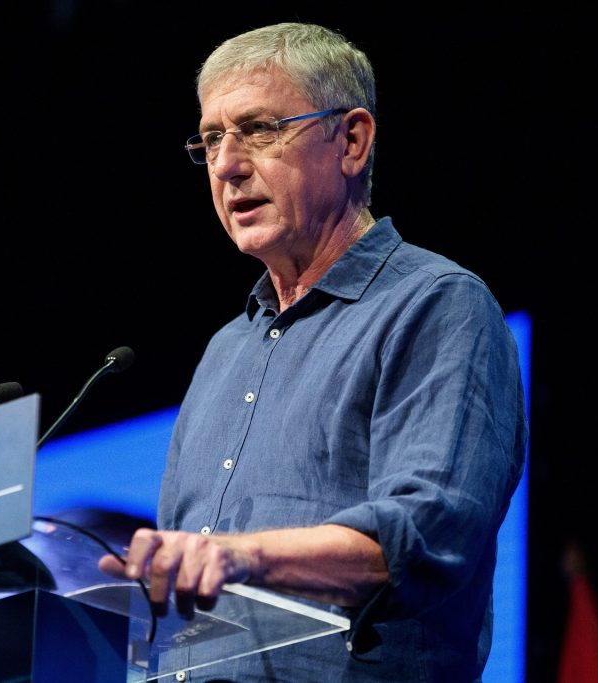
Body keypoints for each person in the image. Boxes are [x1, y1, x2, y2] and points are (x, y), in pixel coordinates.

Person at [98, 22, 527, 681]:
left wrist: (242, 556)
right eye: (211, 139)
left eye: (258, 129)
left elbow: (425, 536)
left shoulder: (436, 305)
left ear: (351, 141)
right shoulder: (223, 352)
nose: (226, 164)